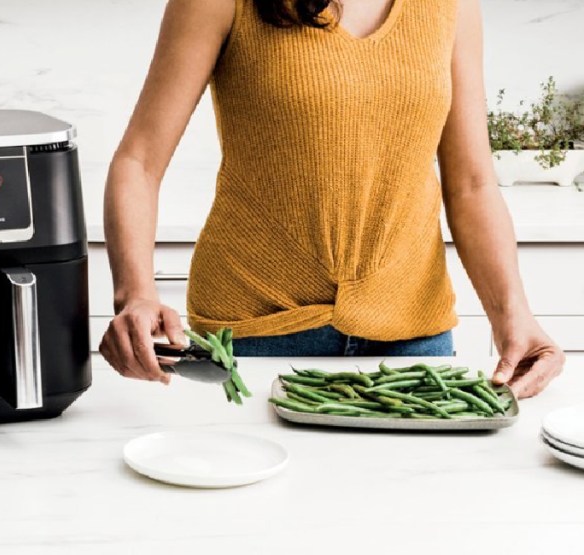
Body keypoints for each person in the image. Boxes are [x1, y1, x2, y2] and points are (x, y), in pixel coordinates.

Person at [98, 0, 564, 398]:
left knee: (414, 500)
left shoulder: (449, 6)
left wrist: (513, 317)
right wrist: (135, 294)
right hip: (256, 333)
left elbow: (472, 184)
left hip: (411, 336)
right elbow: (138, 161)